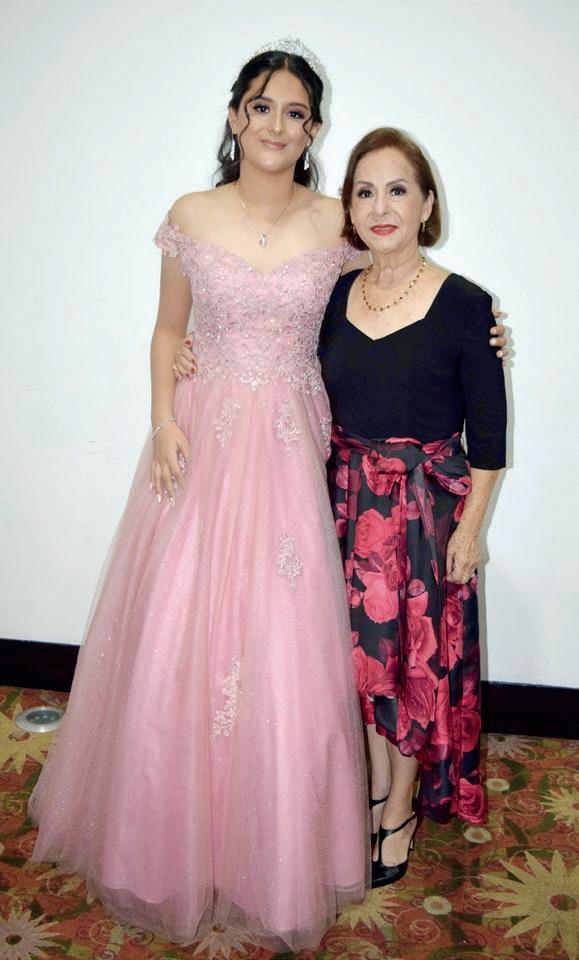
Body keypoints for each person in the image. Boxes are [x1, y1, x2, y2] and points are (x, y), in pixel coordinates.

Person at [28, 41, 371, 952]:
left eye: (295, 112)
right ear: (234, 116)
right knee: (180, 623)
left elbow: (388, 300)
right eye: (261, 106)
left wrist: (472, 328)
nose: (276, 125)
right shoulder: (191, 213)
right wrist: (161, 421)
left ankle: (274, 857)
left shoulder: (338, 221)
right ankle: (160, 846)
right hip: (202, 432)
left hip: (289, 439)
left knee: (283, 634)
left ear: (314, 130)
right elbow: (165, 329)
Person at [317, 127, 507, 887]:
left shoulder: (466, 305)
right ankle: (370, 792)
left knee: (409, 673)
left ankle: (398, 809)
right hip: (341, 508)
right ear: (349, 208)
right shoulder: (332, 295)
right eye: (364, 192)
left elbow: (488, 436)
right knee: (358, 668)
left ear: (426, 203)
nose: (380, 206)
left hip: (426, 520)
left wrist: (471, 529)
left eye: (397, 189)